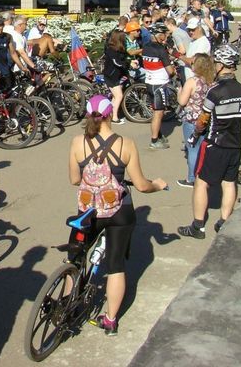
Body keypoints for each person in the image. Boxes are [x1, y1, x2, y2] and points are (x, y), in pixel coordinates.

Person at [68, 96, 167, 336]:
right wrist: (157, 185)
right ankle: (110, 320)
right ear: (110, 114)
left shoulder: (78, 142)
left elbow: (74, 179)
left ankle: (67, 306)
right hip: (119, 212)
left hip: (89, 211)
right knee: (115, 266)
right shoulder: (126, 144)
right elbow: (141, 185)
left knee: (75, 259)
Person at [178, 45, 241, 238]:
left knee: (201, 183)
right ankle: (224, 221)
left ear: (221, 65)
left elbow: (203, 119)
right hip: (235, 143)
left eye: (216, 62)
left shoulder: (215, 91)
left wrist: (196, 133)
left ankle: (198, 226)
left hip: (215, 143)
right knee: (229, 182)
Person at [176, 54, 216, 187]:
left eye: (193, 63)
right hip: (206, 119)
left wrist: (179, 92)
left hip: (191, 120)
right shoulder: (211, 81)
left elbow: (182, 101)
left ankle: (192, 178)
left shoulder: (192, 81)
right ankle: (204, 174)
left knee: (192, 149)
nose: (191, 64)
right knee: (203, 148)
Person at [141, 23, 175, 150]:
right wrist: (173, 70)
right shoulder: (161, 50)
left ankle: (158, 135)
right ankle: (154, 141)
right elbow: (170, 71)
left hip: (149, 82)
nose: (165, 37)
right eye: (164, 35)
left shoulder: (145, 47)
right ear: (159, 35)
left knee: (156, 111)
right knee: (158, 113)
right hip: (159, 84)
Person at [0, 17, 25, 91]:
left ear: (3, 26)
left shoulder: (8, 37)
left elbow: (13, 53)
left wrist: (21, 67)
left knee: (9, 91)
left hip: (5, 68)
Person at [102, 31, 132, 125]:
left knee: (115, 97)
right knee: (119, 96)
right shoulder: (111, 50)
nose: (125, 39)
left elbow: (124, 59)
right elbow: (117, 63)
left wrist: (130, 61)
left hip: (117, 75)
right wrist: (128, 64)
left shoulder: (119, 49)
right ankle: (114, 118)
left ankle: (110, 114)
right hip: (111, 76)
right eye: (124, 38)